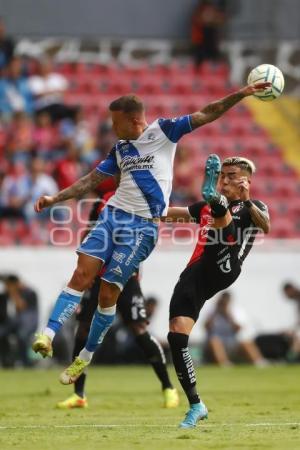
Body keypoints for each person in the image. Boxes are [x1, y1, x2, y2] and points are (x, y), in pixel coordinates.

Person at [31, 83, 270, 387]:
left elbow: (207, 113)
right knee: (81, 273)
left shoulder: (164, 132)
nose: (111, 128)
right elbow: (91, 179)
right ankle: (47, 335)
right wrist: (56, 199)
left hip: (142, 226)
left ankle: (85, 358)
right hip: (112, 216)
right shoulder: (120, 149)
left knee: (107, 294)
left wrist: (243, 92)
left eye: (115, 123)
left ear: (132, 120)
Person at [165, 154, 270, 428]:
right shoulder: (203, 208)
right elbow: (169, 214)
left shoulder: (253, 205)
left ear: (245, 180)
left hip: (226, 263)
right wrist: (137, 211)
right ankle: (196, 404)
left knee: (225, 224)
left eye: (231, 175)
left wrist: (246, 200)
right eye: (222, 175)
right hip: (197, 272)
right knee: (176, 335)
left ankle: (217, 204)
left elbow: (266, 225)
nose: (225, 179)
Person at [57, 192, 179, 409]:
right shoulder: (102, 201)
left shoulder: (142, 199)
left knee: (139, 329)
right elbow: (88, 234)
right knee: (83, 329)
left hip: (127, 278)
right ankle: (79, 394)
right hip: (98, 277)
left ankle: (168, 388)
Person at [204, 291, 267, 366]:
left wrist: (228, 315)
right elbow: (206, 328)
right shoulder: (212, 310)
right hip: (217, 342)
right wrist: (214, 313)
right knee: (215, 342)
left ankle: (259, 363)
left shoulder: (237, 310)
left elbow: (238, 329)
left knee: (246, 343)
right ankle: (224, 364)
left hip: (233, 342)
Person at [0, 274, 38, 366]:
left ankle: (26, 363)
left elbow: (22, 307)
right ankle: (7, 361)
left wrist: (14, 292)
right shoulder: (4, 296)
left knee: (22, 336)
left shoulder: (29, 293)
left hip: (27, 324)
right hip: (12, 323)